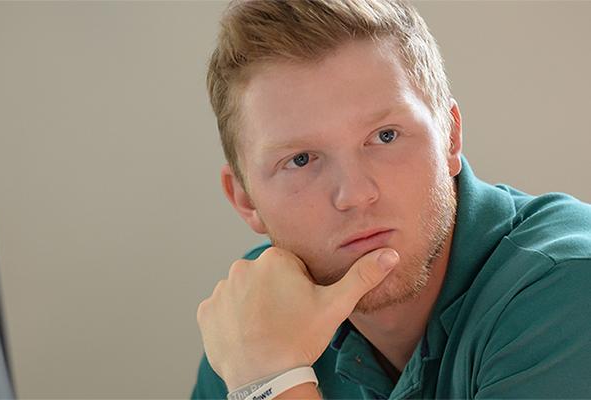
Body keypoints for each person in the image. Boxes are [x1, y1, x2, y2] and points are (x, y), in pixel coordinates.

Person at [192, 0, 591, 398]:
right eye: (300, 160)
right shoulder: (256, 318)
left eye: (385, 136)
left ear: (450, 138)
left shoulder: (570, 285)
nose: (356, 194)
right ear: (244, 199)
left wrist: (270, 380)